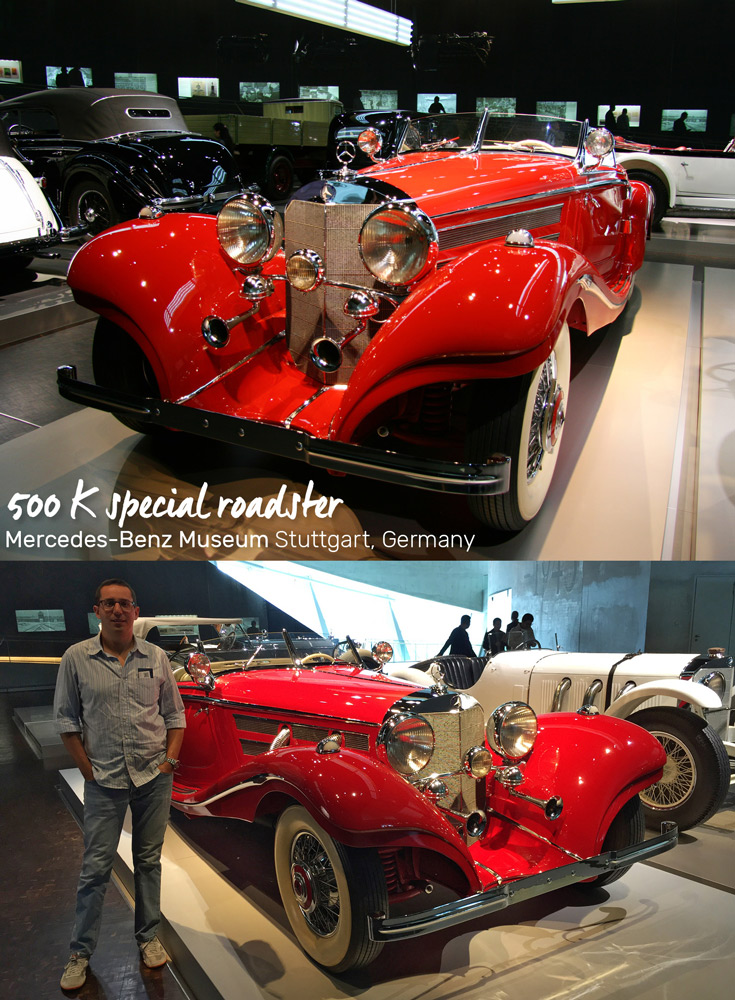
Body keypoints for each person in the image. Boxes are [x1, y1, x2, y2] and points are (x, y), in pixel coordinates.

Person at [54, 579, 185, 991]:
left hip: (152, 778)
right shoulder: (76, 658)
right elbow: (66, 722)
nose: (116, 610)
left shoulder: (157, 657)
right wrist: (87, 770)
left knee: (149, 863)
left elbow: (174, 717)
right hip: (105, 781)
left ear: (135, 610)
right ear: (97, 611)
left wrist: (168, 763)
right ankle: (80, 953)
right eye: (108, 604)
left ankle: (148, 938)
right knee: (95, 869)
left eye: (124, 604)